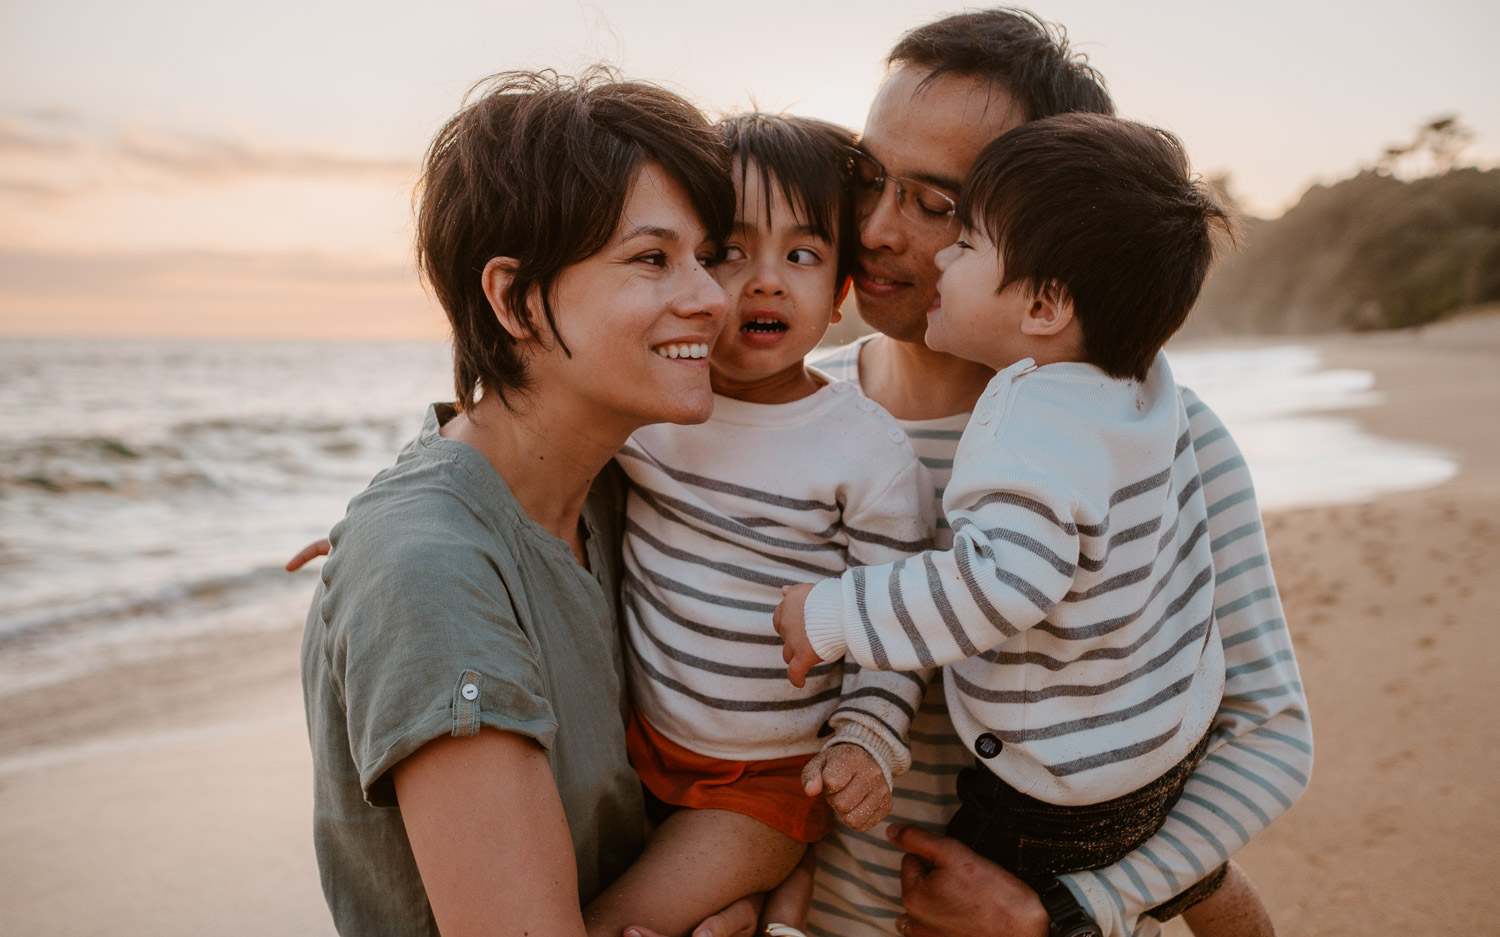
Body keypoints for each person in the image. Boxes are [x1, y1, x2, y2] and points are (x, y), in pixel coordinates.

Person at [801, 10, 1310, 937]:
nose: (872, 228)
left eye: (937, 204)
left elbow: (1268, 738)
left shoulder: (1166, 443)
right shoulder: (776, 414)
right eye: (867, 178)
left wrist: (1072, 913)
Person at [299, 69, 744, 936]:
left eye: (704, 255)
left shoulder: (629, 486)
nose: (711, 297)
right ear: (511, 298)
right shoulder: (429, 569)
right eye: (652, 259)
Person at [584, 112, 935, 937]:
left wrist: (865, 742)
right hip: (635, 741)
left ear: (842, 290)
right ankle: (756, 915)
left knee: (607, 924)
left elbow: (896, 625)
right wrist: (414, 517)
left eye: (802, 255)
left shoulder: (865, 452)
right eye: (730, 251)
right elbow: (530, 453)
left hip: (766, 785)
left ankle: (759, 900)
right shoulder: (649, 406)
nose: (765, 280)